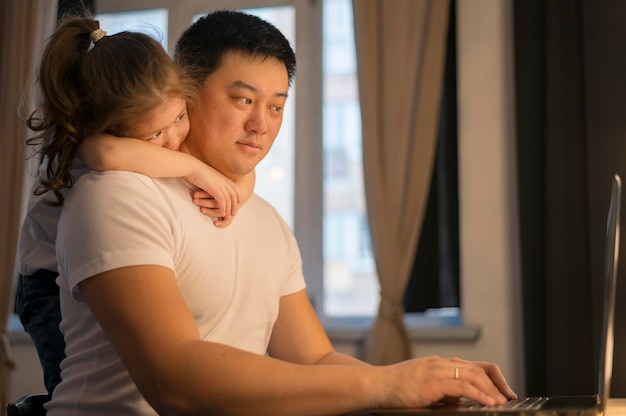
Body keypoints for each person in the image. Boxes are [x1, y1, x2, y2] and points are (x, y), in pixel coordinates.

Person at [33, 10, 517, 415]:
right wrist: (385, 387)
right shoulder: (118, 194)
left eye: (277, 107)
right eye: (243, 99)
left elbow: (317, 358)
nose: (260, 125)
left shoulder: (264, 219)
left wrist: (416, 385)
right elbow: (175, 379)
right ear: (185, 92)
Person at [16, 17, 254, 400]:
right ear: (107, 125)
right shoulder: (87, 145)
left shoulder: (159, 127)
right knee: (72, 383)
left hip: (89, 272)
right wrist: (196, 169)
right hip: (46, 283)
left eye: (178, 117)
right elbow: (109, 154)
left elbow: (237, 170)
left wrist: (237, 184)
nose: (174, 137)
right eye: (154, 135)